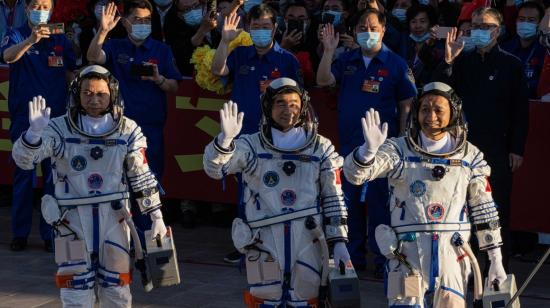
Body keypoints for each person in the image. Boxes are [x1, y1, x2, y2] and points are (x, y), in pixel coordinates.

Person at [11, 65, 167, 307]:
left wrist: (156, 216)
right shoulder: (58, 128)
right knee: (75, 287)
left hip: (114, 218)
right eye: (87, 93)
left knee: (117, 287)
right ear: (77, 94)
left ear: (112, 95)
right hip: (71, 222)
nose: (94, 100)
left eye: (100, 94)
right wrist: (33, 134)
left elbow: (142, 175)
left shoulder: (128, 129)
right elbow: (24, 161)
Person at [343, 82, 507, 307]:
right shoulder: (398, 150)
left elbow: (484, 207)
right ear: (416, 113)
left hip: (452, 255)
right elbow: (356, 176)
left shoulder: (470, 156)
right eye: (425, 109)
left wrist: (495, 258)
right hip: (407, 257)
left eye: (439, 109)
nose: (431, 116)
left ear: (453, 113)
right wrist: (367, 152)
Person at [203, 77, 349, 307]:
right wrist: (225, 140)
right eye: (280, 103)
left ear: (303, 107)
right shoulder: (251, 146)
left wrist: (339, 240)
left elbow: (333, 195)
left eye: (293, 103)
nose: (288, 110)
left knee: (305, 297)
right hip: (264, 239)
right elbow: (215, 169)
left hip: (308, 239)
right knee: (266, 298)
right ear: (267, 107)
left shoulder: (320, 147)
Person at [317, 8, 417, 276]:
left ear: (383, 30)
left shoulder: (396, 63)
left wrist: (404, 141)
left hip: (384, 152)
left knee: (381, 206)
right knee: (349, 205)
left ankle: (384, 261)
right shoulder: (347, 59)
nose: (367, 32)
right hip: (350, 147)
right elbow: (323, 80)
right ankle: (353, 259)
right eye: (362, 27)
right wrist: (328, 51)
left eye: (373, 27)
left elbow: (407, 104)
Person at [434, 7, 529, 268]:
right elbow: (440, 93)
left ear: (497, 30)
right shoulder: (463, 61)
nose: (478, 30)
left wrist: (516, 149)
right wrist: (449, 62)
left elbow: (520, 111)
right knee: (463, 211)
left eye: (485, 26)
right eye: (475, 25)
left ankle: (497, 273)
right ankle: (467, 270)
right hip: (464, 150)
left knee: (496, 213)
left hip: (498, 149)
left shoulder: (511, 64)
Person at [86, 0, 182, 243]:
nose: (142, 24)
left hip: (150, 128)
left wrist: (159, 79)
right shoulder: (115, 46)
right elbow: (93, 57)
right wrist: (104, 30)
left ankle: (148, 236)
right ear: (126, 21)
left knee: (149, 182)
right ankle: (120, 238)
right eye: (137, 20)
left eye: (146, 21)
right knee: (116, 183)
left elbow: (174, 85)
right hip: (116, 129)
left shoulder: (161, 50)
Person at [1, 0, 76, 252]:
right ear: (27, 8)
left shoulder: (60, 38)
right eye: (35, 4)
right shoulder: (16, 33)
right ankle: (20, 233)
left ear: (52, 10)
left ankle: (50, 233)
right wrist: (30, 41)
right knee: (24, 175)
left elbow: (70, 72)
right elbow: (7, 56)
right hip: (25, 118)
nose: (40, 9)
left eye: (45, 5)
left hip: (56, 120)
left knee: (53, 178)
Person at [211, 6, 302, 135]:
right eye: (256, 26)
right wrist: (225, 41)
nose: (260, 30)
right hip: (239, 132)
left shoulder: (288, 60)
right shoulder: (240, 53)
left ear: (274, 28)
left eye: (265, 27)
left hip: (275, 134)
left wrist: (280, 88)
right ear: (249, 28)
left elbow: (300, 96)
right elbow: (217, 70)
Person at [502, 1, 546, 99]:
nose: (525, 23)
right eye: (521, 19)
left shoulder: (545, 51)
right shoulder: (505, 49)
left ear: (539, 23)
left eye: (531, 20)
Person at [164, 0, 221, 76]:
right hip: (190, 74)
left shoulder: (210, 9)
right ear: (179, 13)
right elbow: (180, 53)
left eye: (195, 6)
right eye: (186, 9)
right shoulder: (171, 20)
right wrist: (202, 30)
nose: (193, 11)